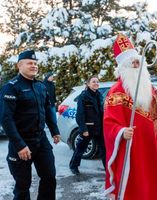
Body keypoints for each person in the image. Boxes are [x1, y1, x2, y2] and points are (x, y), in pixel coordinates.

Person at [103, 34, 157, 200]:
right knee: (134, 184)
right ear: (123, 67)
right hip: (131, 148)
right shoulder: (116, 91)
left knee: (151, 181)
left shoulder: (150, 88)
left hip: (149, 144)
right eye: (131, 62)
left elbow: (155, 113)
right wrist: (121, 132)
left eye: (137, 61)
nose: (136, 64)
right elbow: (109, 122)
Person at [0, 50, 61, 200]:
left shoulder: (41, 86)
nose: (33, 66)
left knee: (49, 177)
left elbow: (47, 109)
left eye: (35, 63)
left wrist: (54, 130)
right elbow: (6, 119)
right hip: (21, 143)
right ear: (19, 66)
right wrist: (20, 145)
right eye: (29, 63)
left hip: (41, 140)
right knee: (23, 185)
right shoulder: (11, 87)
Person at [69, 75, 106, 175]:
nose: (96, 83)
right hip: (88, 128)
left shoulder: (99, 95)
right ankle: (73, 166)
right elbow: (80, 114)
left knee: (104, 149)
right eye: (93, 81)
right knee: (80, 149)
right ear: (88, 84)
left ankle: (107, 168)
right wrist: (83, 129)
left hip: (99, 128)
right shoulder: (84, 96)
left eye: (97, 81)